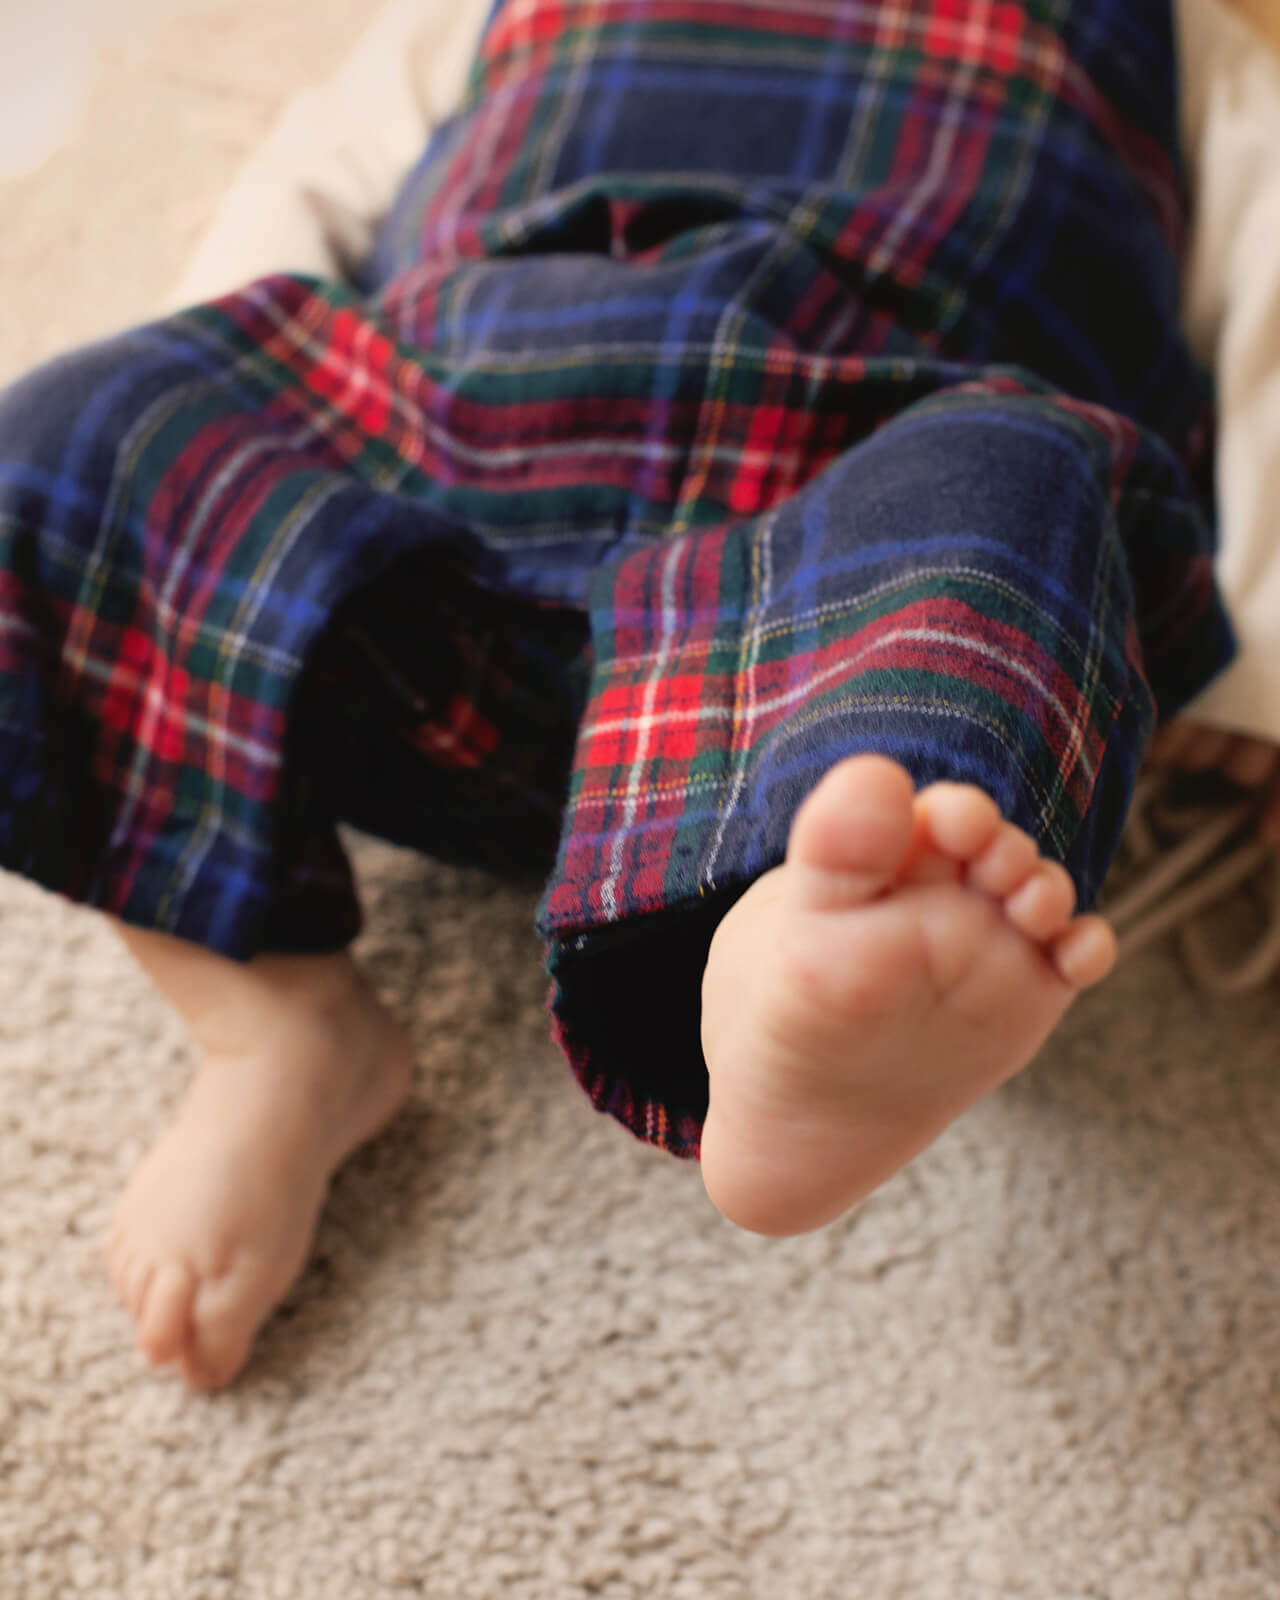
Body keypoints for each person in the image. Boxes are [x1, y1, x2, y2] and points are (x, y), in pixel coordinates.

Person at [0, 0, 1235, 1390]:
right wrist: (239, 396)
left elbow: (1248, 246)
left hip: (825, 552)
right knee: (60, 444)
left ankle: (803, 947)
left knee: (1017, 484)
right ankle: (274, 1019)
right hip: (426, 490)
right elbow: (346, 146)